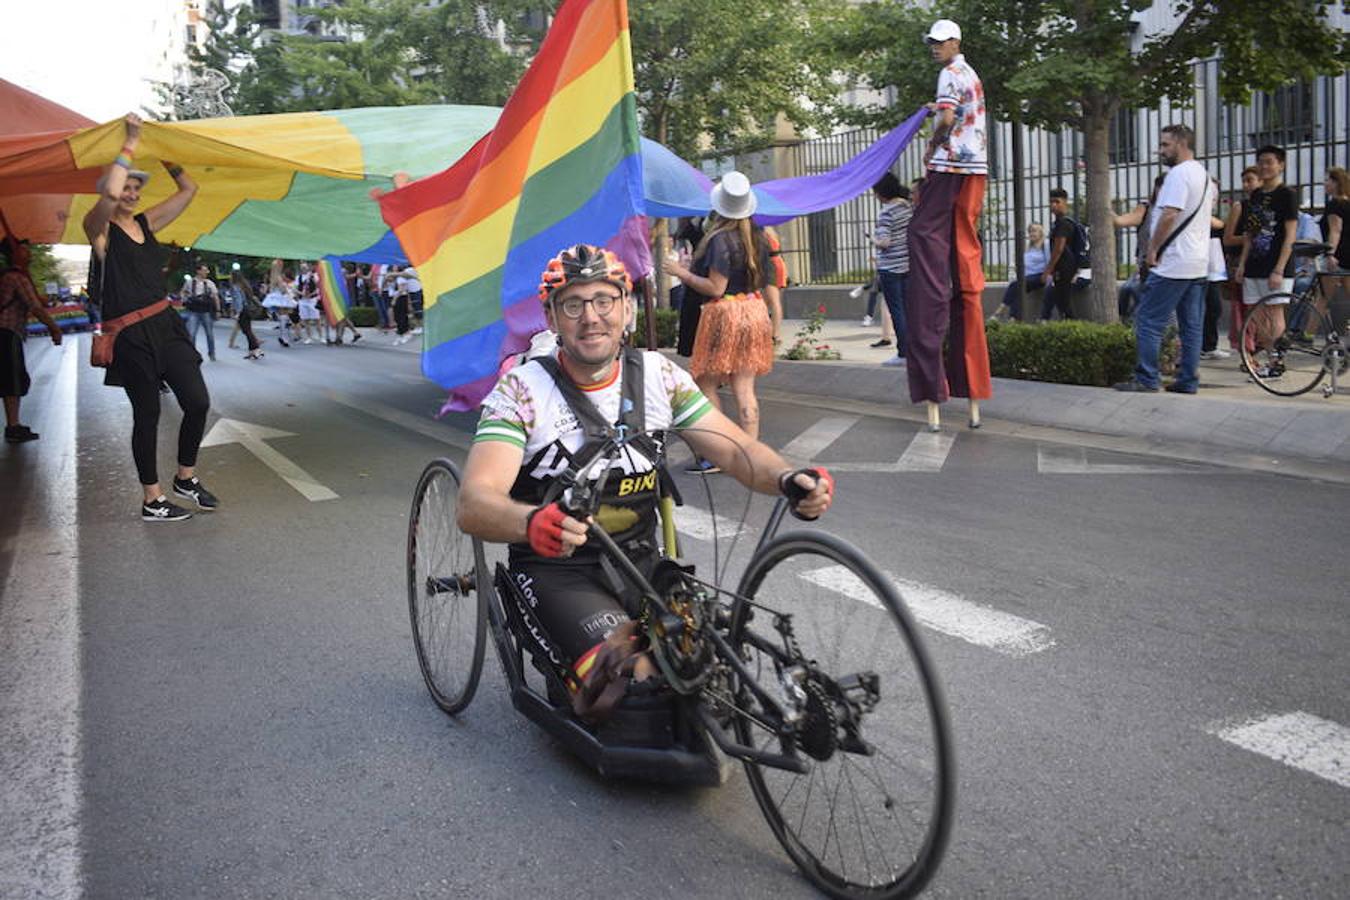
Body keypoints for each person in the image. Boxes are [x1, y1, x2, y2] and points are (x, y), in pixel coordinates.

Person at [458, 243, 833, 715]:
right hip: (558, 573)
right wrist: (532, 522)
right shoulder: (521, 391)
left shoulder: (660, 376)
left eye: (604, 301)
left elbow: (737, 453)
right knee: (638, 687)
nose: (590, 317)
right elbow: (474, 503)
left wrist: (788, 477)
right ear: (551, 318)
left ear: (627, 308)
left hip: (641, 564)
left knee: (711, 668)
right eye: (572, 305)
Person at [82, 113, 218, 521]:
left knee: (197, 401)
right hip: (129, 336)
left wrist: (167, 156)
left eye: (136, 187)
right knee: (148, 414)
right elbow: (105, 196)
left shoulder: (147, 222)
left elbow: (189, 188)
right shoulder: (99, 231)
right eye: (125, 185)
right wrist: (131, 142)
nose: (131, 192)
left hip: (166, 325)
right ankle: (152, 499)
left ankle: (185, 478)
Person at [905, 19, 992, 427]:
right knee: (964, 254)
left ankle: (932, 386)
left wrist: (932, 142)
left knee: (923, 240)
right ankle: (970, 388)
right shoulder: (970, 73)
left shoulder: (948, 74)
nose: (934, 48)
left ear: (956, 41)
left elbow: (946, 118)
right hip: (976, 170)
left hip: (950, 167)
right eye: (932, 43)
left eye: (940, 42)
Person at [662, 171, 782, 451]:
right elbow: (766, 282)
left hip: (725, 314)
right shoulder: (758, 237)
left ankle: (719, 451)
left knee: (704, 382)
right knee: (744, 388)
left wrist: (681, 272)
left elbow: (716, 287)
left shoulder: (720, 240)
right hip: (753, 310)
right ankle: (750, 452)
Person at [1113, 124, 1212, 394]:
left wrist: (1153, 249)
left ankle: (1147, 378)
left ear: (1181, 144)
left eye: (1165, 145)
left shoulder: (1179, 175)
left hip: (1174, 263)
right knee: (1191, 326)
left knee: (1147, 319)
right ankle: (1188, 381)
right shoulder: (1202, 174)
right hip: (1197, 262)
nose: (1161, 150)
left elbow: (1169, 214)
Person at [1234, 145, 1298, 377]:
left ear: (1281, 165)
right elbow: (1250, 234)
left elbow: (1291, 234)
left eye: (1269, 162)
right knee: (1257, 312)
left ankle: (1277, 361)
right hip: (1254, 263)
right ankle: (1271, 358)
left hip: (1276, 265)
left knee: (1275, 311)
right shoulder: (1256, 196)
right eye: (1261, 161)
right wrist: (1242, 264)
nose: (1264, 166)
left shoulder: (1287, 194)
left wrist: (1279, 268)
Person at [0, 240, 63, 443]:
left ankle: (13, 424)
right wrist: (54, 328)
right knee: (11, 380)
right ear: (15, 253)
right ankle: (13, 426)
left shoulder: (8, 276)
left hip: (6, 332)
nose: (28, 251)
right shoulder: (17, 277)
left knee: (9, 378)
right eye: (22, 247)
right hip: (7, 333)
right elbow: (35, 307)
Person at [1113, 174, 1167, 322]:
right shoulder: (1146, 209)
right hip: (1150, 266)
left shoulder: (1181, 210)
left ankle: (1171, 338)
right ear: (1156, 189)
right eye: (1162, 187)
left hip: (1175, 266)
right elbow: (1123, 221)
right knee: (1134, 293)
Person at [871, 175, 912, 364]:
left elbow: (885, 242)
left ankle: (903, 352)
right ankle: (912, 350)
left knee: (897, 311)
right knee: (909, 308)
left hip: (890, 267)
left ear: (881, 193)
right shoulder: (908, 207)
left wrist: (874, 241)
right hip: (907, 264)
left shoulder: (886, 212)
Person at [1222, 165, 1261, 351]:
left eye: (1250, 180)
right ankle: (1245, 345)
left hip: (1262, 261)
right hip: (1239, 261)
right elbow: (1228, 238)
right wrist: (1248, 237)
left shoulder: (1267, 206)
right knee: (1242, 305)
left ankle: (1258, 342)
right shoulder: (1240, 206)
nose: (1246, 185)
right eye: (1244, 181)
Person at [993, 222, 1049, 322]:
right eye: (1030, 231)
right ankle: (1013, 319)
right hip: (1026, 277)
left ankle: (999, 312)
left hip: (1040, 276)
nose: (1032, 233)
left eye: (1035, 231)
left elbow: (1049, 262)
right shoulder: (1028, 248)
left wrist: (1047, 276)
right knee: (1018, 290)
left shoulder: (1045, 245)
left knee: (1016, 285)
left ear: (1041, 233)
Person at [1042, 189, 1084, 321]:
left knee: (1064, 302)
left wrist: (1047, 270)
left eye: (1057, 202)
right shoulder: (1061, 223)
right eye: (1051, 202)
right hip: (1063, 268)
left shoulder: (1064, 224)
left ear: (1065, 202)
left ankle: (1072, 328)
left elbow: (1059, 248)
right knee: (1061, 302)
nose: (1053, 205)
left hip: (1066, 268)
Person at [182, 262, 221, 360]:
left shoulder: (209, 283)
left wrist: (218, 310)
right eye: (204, 270)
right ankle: (192, 355)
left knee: (209, 334)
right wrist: (185, 298)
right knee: (191, 334)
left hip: (206, 311)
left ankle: (212, 353)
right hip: (193, 311)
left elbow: (216, 297)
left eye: (206, 270)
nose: (206, 272)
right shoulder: (190, 282)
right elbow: (183, 292)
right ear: (198, 271)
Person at [231, 270, 266, 360]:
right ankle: (251, 351)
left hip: (242, 311)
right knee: (248, 330)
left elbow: (238, 301)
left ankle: (256, 349)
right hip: (248, 310)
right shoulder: (245, 285)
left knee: (247, 331)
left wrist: (237, 313)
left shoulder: (236, 287)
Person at [261, 259, 295, 347]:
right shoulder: (278, 277)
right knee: (284, 316)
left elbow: (271, 288)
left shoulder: (272, 276)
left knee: (283, 317)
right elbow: (282, 290)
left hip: (276, 296)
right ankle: (284, 338)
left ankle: (283, 337)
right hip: (280, 297)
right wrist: (287, 288)